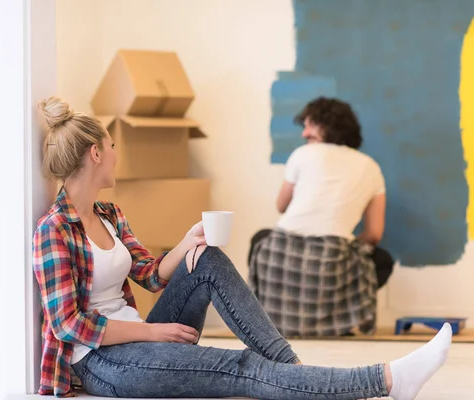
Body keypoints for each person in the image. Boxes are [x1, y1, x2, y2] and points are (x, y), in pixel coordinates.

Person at [33, 96, 451, 400]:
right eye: (111, 145)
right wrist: (151, 331)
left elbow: (149, 275)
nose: (115, 153)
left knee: (207, 258)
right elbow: (69, 325)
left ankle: (295, 374)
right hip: (104, 363)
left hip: (140, 338)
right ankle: (387, 380)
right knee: (243, 368)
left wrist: (186, 244)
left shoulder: (109, 213)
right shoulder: (53, 231)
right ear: (95, 153)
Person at [249, 96, 394, 337]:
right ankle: (339, 319)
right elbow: (374, 234)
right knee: (382, 260)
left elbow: (281, 205)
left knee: (260, 238)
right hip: (332, 259)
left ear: (330, 125)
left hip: (280, 254)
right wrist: (346, 246)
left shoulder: (303, 154)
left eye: (310, 125)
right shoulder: (371, 167)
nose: (304, 134)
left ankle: (270, 321)